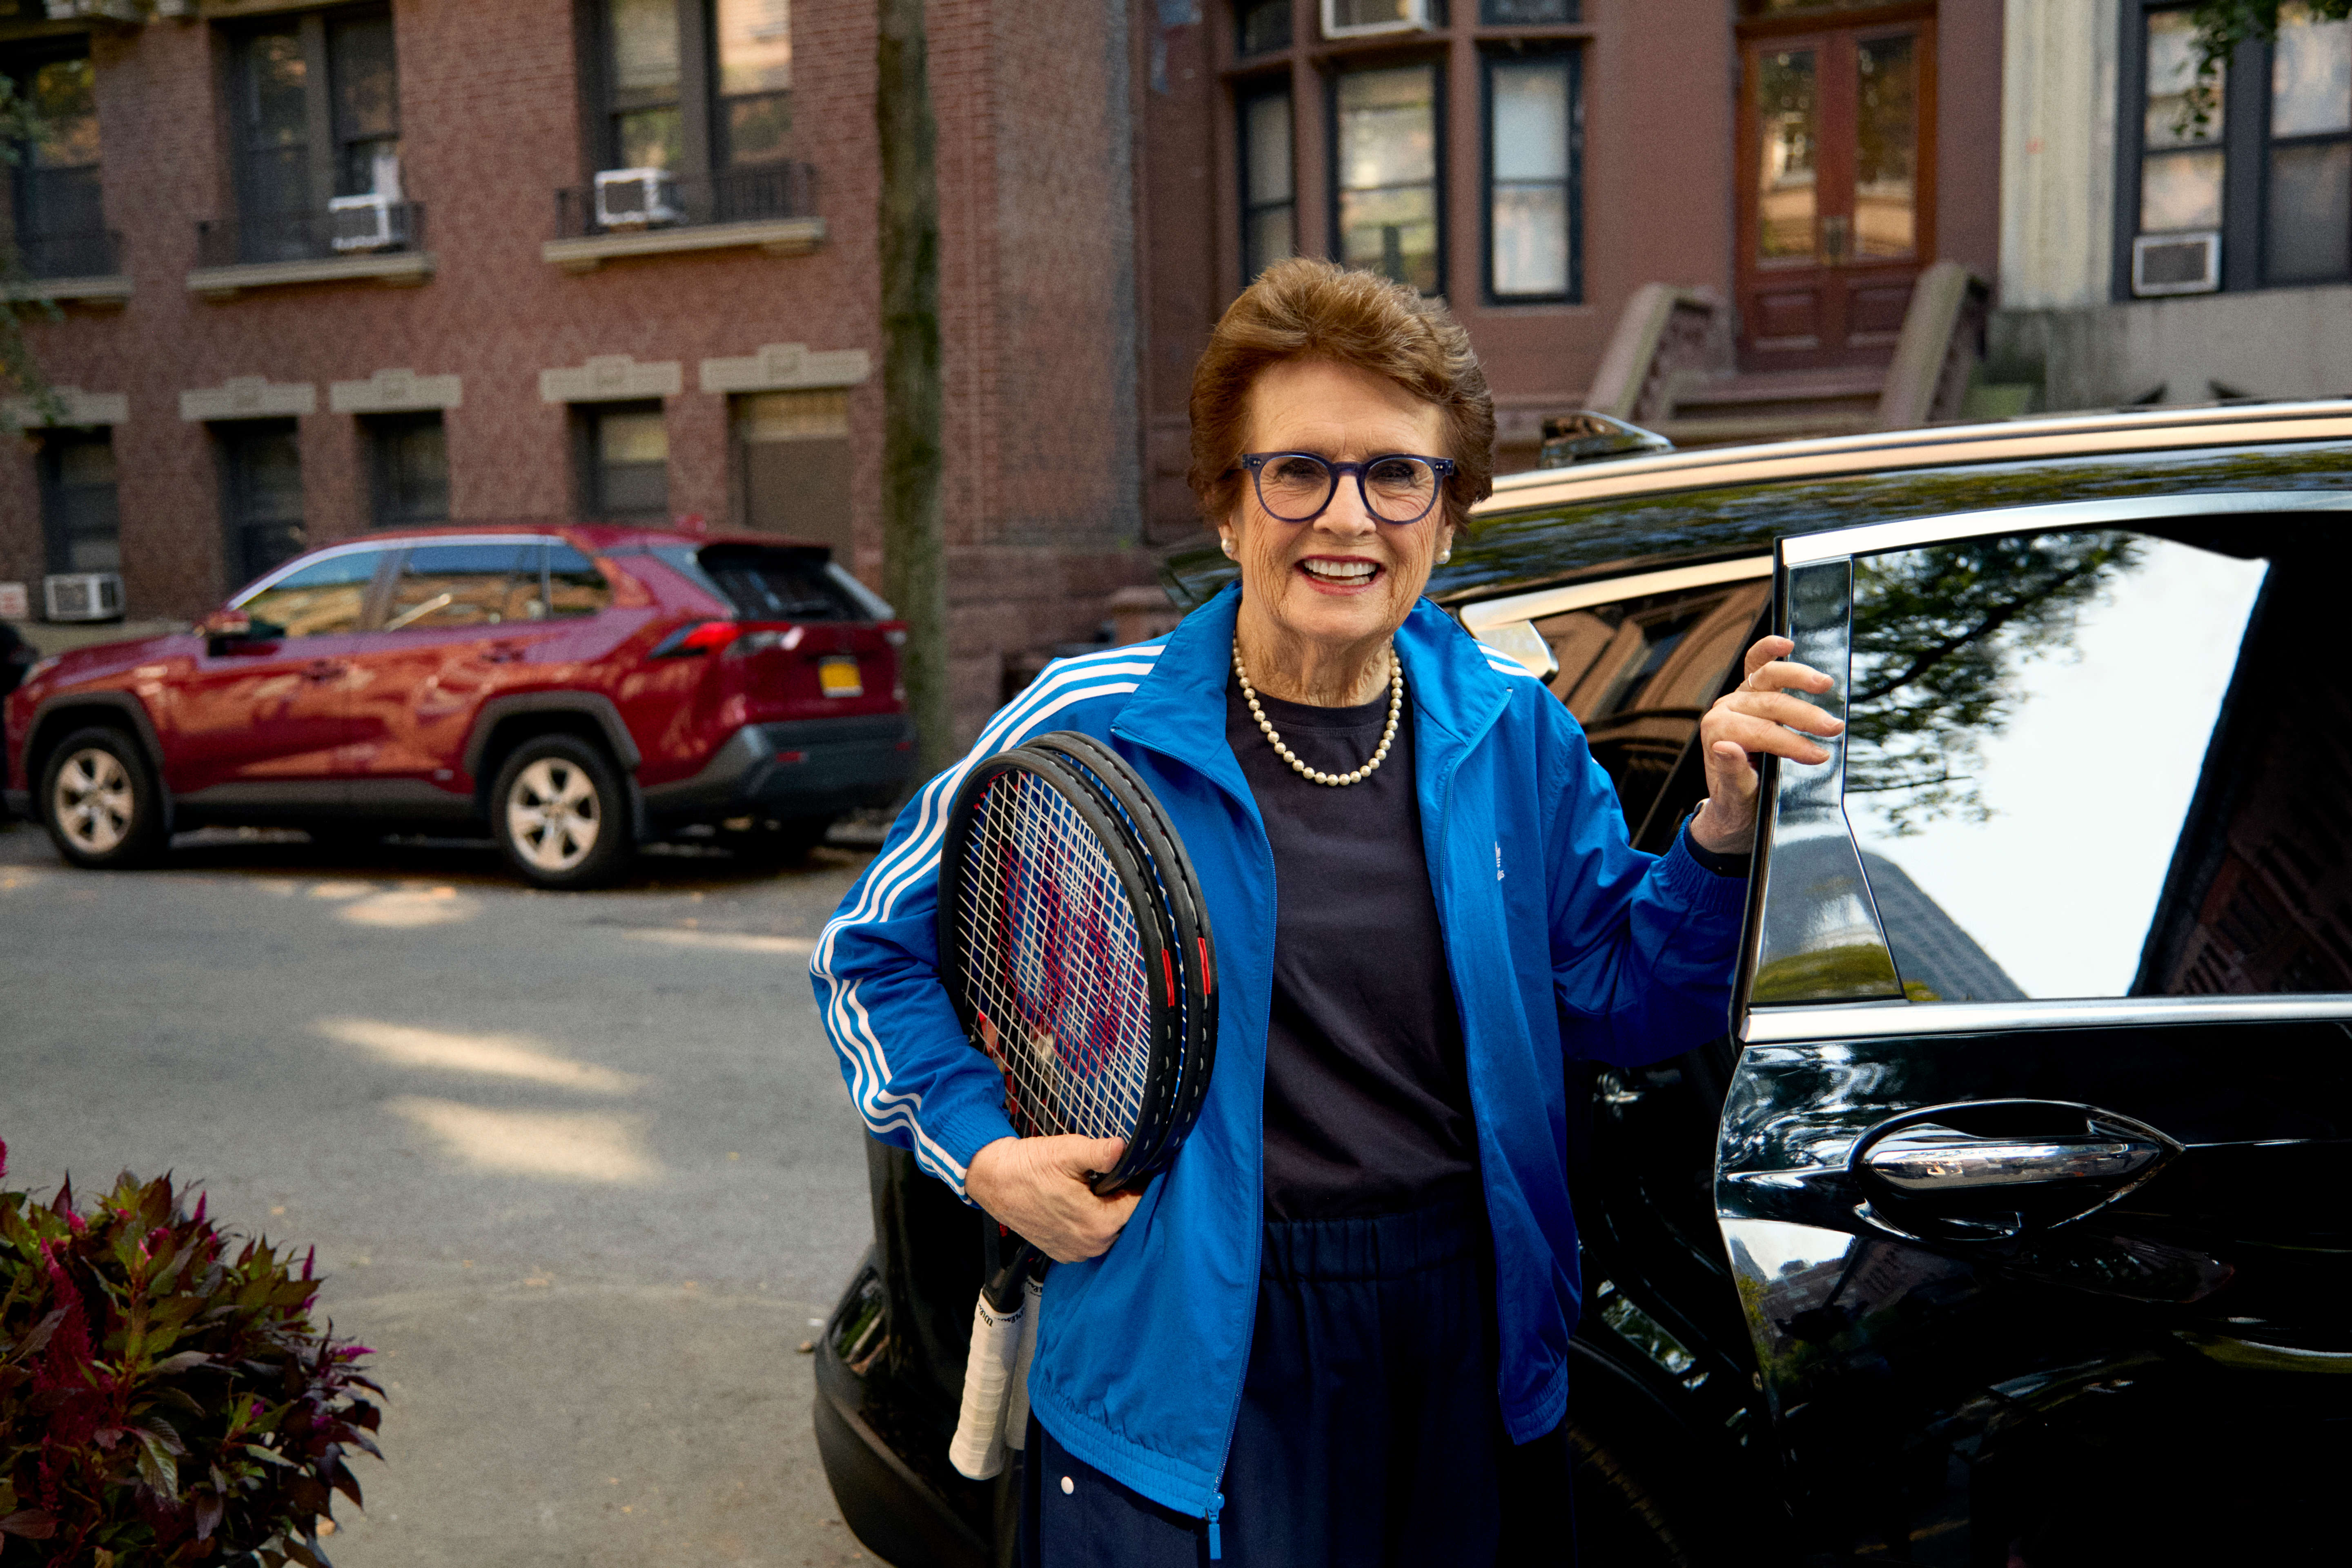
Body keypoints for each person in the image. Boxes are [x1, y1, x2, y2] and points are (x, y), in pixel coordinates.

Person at [813, 258, 1840, 1566]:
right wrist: (985, 1156)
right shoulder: (1092, 721)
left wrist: (1722, 832)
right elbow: (867, 961)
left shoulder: (1511, 731)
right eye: (1295, 470)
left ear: (1449, 516)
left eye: (1395, 473)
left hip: (1461, 1333)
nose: (1345, 515)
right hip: (1180, 1345)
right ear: (1231, 510)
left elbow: (1621, 993)